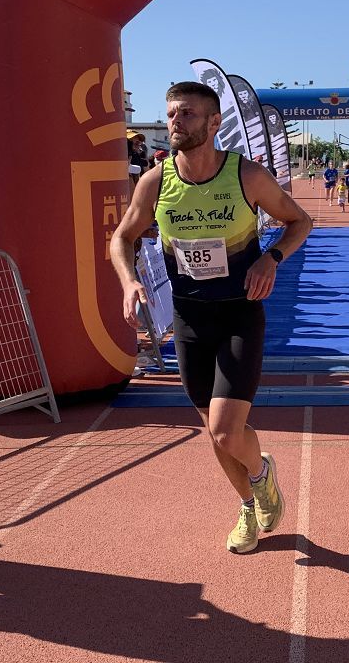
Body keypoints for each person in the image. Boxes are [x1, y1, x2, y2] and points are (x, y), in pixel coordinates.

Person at [110, 81, 312, 555]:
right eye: (171, 114)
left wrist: (271, 258)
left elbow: (299, 221)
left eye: (185, 114)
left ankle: (261, 473)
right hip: (189, 317)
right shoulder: (156, 182)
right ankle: (247, 504)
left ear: (214, 122)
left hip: (240, 312)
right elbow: (122, 237)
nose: (174, 123)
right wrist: (129, 281)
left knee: (225, 429)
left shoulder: (247, 176)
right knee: (214, 428)